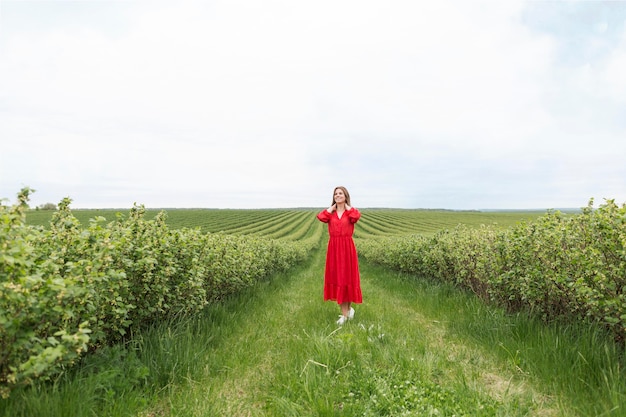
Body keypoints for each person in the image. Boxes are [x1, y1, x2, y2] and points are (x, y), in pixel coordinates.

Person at [317, 186, 362, 325]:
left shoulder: (350, 213)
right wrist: (332, 207)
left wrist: (346, 206)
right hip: (334, 248)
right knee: (339, 279)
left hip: (347, 248)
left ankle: (347, 313)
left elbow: (356, 216)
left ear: (345, 195)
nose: (337, 195)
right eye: (335, 194)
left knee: (347, 279)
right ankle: (346, 314)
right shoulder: (331, 213)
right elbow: (321, 217)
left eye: (340, 193)